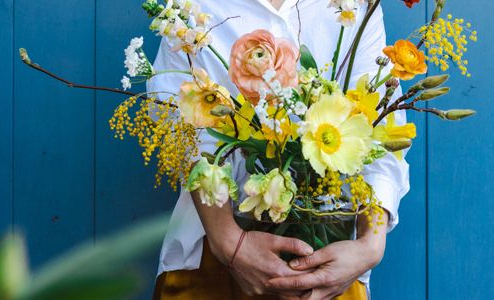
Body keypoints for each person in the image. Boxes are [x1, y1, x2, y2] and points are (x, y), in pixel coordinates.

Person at [148, 1, 410, 299]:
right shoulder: (190, 7)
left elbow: (380, 131)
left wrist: (370, 246)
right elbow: (186, 129)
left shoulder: (357, 6)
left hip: (329, 259)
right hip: (212, 258)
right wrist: (230, 244)